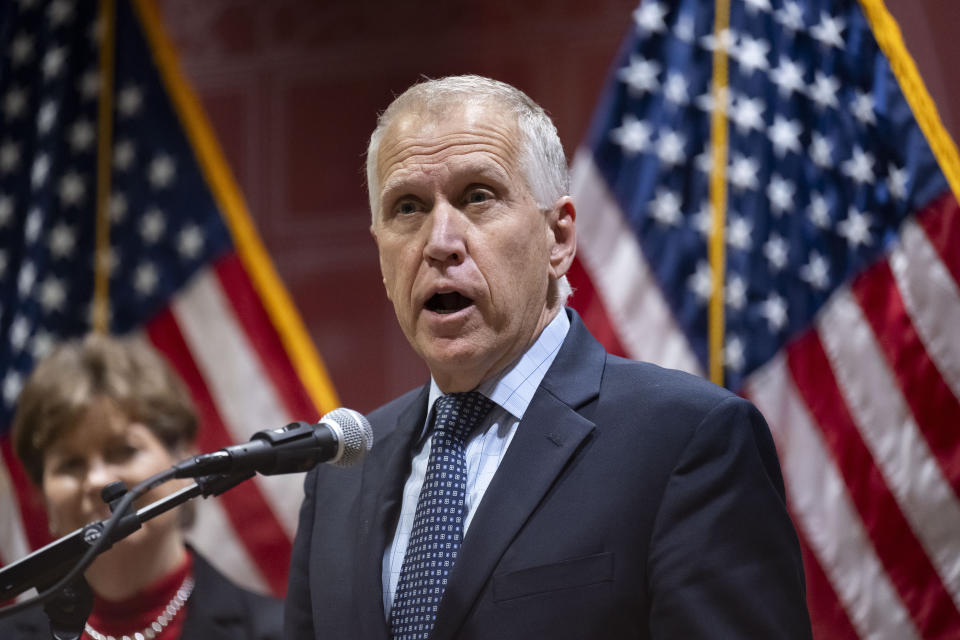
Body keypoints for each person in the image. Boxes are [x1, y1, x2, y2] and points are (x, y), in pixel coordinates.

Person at [285, 75, 812, 639]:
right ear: (381, 253)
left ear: (558, 238)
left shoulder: (687, 441)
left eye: (478, 196)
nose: (439, 241)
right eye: (407, 207)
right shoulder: (340, 476)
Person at [0, 334, 282, 640]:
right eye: (70, 464)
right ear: (43, 496)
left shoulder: (279, 632)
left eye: (123, 450)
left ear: (184, 461)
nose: (97, 480)